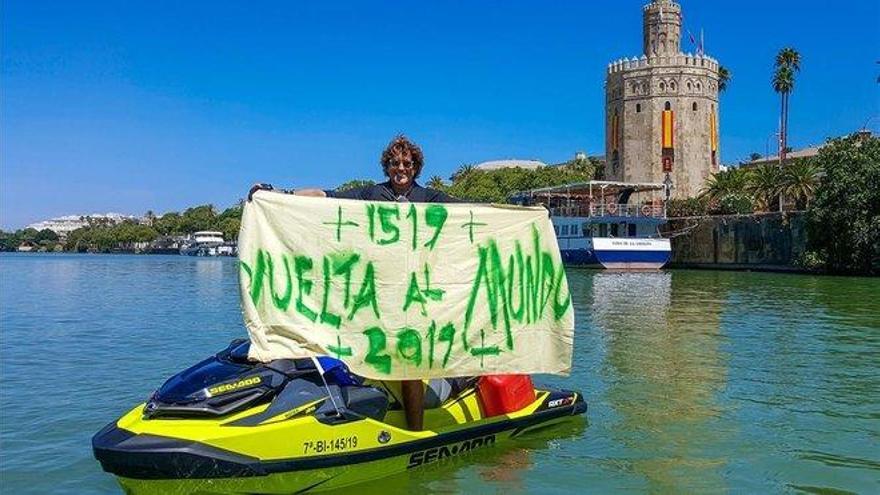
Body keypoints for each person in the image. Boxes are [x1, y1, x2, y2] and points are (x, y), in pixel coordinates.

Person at [249, 135, 456, 431]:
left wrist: (524, 214)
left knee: (409, 365)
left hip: (413, 295)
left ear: (416, 167)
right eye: (395, 163)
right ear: (387, 165)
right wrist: (279, 193)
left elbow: (473, 212)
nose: (401, 168)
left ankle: (415, 432)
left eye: (407, 163)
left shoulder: (429, 198)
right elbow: (327, 196)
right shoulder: (372, 193)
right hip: (373, 291)